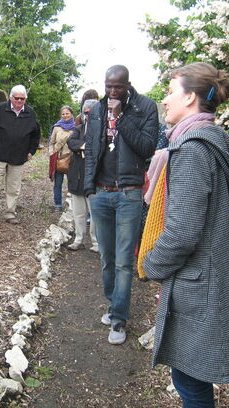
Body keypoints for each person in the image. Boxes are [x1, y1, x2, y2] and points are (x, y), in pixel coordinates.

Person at [142, 62, 229, 407]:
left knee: (189, 381)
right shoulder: (210, 141)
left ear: (190, 97)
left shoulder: (192, 150)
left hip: (197, 283)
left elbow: (182, 232)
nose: (164, 100)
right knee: (191, 378)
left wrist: (151, 264)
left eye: (170, 92)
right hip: (207, 278)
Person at [84, 65, 158, 344]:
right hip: (101, 193)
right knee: (107, 258)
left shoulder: (145, 107)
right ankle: (113, 302)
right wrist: (89, 189)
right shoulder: (97, 110)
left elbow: (147, 147)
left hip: (129, 193)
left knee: (125, 261)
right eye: (109, 86)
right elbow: (92, 150)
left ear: (128, 85)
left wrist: (121, 118)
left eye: (118, 87)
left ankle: (118, 319)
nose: (113, 92)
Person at [0, 84, 41, 225]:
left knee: (13, 188)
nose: (19, 101)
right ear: (11, 98)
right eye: (16, 98)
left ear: (25, 99)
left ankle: (10, 213)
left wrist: (31, 151)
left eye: (22, 98)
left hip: (18, 157)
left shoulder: (30, 113)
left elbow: (35, 134)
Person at [66, 99, 99, 252]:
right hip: (77, 177)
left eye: (91, 113)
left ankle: (96, 242)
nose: (88, 116)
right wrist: (84, 146)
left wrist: (84, 147)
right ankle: (78, 240)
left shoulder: (103, 130)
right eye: (85, 113)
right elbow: (71, 142)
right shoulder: (78, 129)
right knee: (78, 212)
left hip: (94, 179)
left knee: (95, 213)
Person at [48, 106, 75, 211]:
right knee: (58, 183)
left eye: (67, 113)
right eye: (63, 114)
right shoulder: (57, 127)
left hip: (71, 159)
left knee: (72, 183)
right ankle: (57, 204)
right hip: (59, 159)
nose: (65, 115)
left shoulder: (76, 127)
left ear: (71, 114)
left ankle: (71, 204)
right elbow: (51, 142)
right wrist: (52, 153)